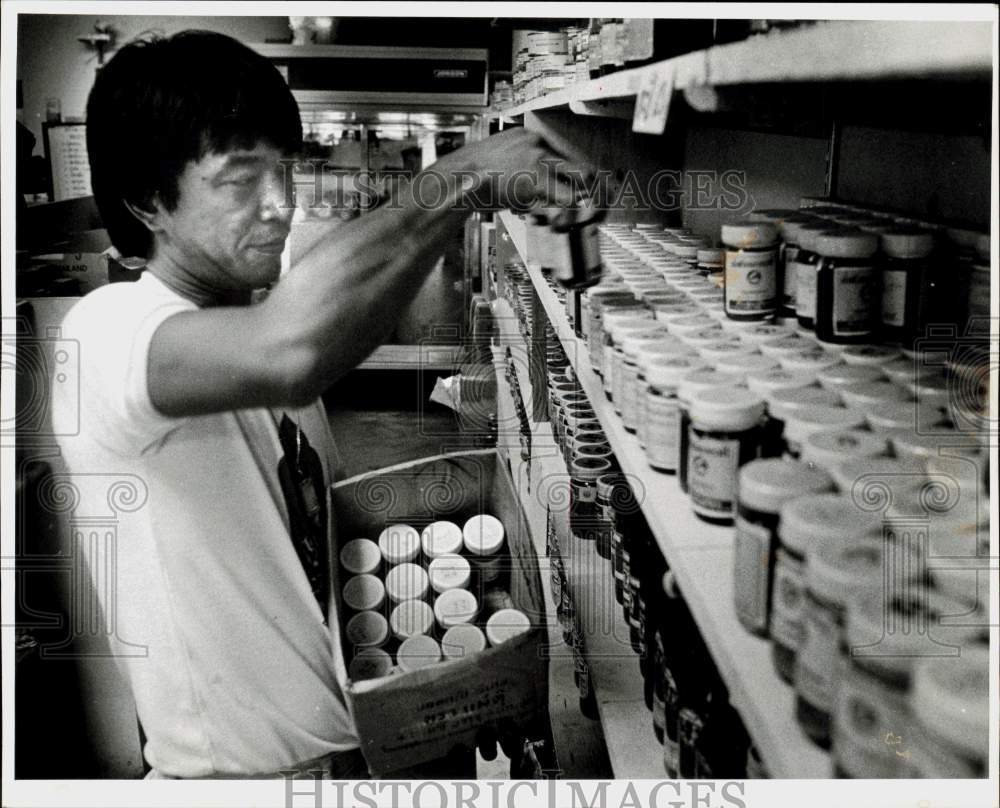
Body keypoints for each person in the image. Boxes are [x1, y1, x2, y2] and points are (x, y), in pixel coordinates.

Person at [51, 30, 586, 779]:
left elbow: (317, 565)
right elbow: (293, 351)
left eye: (287, 170)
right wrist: (462, 180)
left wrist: (433, 703)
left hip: (350, 758)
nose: (279, 206)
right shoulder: (105, 335)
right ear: (148, 200)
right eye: (241, 180)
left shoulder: (249, 326)